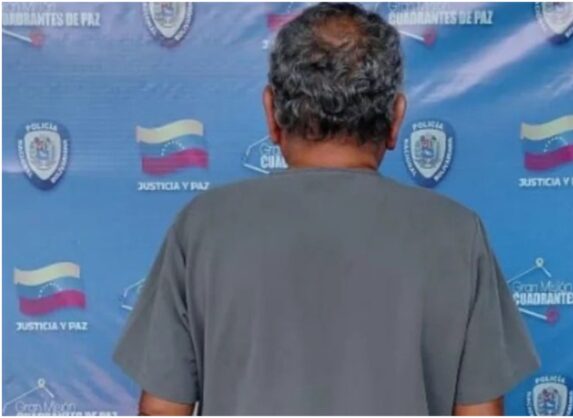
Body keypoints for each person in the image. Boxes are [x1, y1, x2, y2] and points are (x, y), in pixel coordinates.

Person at [113, 3, 540, 415]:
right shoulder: (457, 233)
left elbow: (162, 409)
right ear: (396, 118)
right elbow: (481, 413)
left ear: (271, 113)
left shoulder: (203, 226)